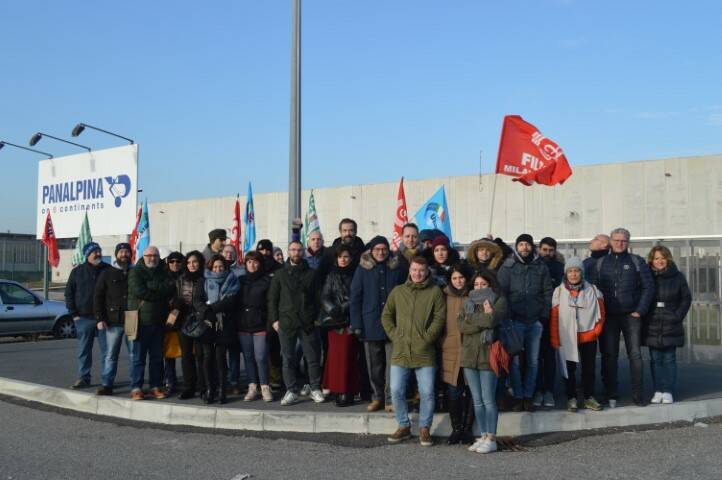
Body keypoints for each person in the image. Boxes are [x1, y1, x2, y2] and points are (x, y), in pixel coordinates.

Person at [382, 256, 446, 447]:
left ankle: (425, 428)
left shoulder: (435, 292)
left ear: (427, 272)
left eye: (421, 270)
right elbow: (386, 315)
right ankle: (403, 425)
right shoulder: (398, 291)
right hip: (400, 350)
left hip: (425, 351)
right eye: (414, 270)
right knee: (396, 390)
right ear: (409, 270)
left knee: (427, 392)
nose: (417, 273)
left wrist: (426, 338)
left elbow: (439, 318)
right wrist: (395, 335)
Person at [590, 228, 655, 407]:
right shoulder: (601, 263)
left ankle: (638, 394)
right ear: (610, 241)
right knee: (609, 356)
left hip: (631, 316)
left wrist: (639, 310)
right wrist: (600, 313)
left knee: (635, 355)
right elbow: (594, 290)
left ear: (628, 242)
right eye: (617, 240)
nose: (620, 243)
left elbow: (648, 288)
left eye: (624, 241)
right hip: (609, 317)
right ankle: (611, 393)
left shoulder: (637, 261)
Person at [350, 236, 407, 412]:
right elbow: (355, 298)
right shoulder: (362, 269)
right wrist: (357, 324)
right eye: (377, 249)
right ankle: (377, 397)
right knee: (374, 365)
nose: (381, 252)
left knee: (392, 365)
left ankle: (391, 399)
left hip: (394, 324)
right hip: (370, 323)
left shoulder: (397, 268)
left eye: (384, 249)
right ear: (371, 251)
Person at [497, 234, 553, 412]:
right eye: (521, 244)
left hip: (535, 322)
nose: (525, 248)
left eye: (527, 244)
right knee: (514, 362)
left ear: (532, 247)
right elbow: (501, 293)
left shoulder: (540, 267)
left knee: (533, 361)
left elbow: (547, 291)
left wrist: (544, 315)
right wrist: (508, 316)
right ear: (516, 246)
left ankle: (528, 396)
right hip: (515, 322)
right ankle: (518, 396)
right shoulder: (508, 266)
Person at [268, 240, 325, 405]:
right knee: (288, 358)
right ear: (288, 252)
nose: (296, 253)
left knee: (312, 358)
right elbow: (272, 299)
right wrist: (274, 321)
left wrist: (316, 319)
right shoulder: (280, 274)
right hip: (286, 322)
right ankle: (291, 390)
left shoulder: (312, 273)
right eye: (293, 250)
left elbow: (319, 297)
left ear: (303, 252)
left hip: (308, 322)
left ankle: (315, 388)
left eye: (299, 250)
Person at [460, 271, 507, 454]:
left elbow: (493, 320)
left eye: (483, 284)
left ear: (490, 285)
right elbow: (462, 326)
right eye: (476, 284)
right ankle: (483, 435)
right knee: (477, 401)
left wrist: (477, 319)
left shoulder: (499, 300)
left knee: (489, 400)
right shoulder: (467, 302)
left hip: (489, 356)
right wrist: (485, 320)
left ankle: (492, 438)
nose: (479, 287)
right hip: (470, 355)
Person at [550, 257, 605, 412]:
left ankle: (589, 397)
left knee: (589, 369)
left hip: (588, 336)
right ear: (566, 274)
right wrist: (555, 339)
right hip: (567, 337)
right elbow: (554, 317)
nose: (573, 274)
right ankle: (571, 398)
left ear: (582, 273)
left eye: (576, 271)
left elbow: (601, 312)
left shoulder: (593, 290)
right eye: (570, 271)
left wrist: (596, 331)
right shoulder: (559, 291)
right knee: (569, 369)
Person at [643, 246, 692, 404]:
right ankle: (658, 390)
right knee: (655, 359)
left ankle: (668, 390)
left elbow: (686, 298)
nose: (660, 261)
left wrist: (677, 316)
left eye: (662, 258)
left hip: (671, 321)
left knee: (669, 358)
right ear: (652, 260)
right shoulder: (646, 276)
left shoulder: (678, 277)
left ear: (668, 259)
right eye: (656, 258)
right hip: (651, 322)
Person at [127, 246, 176, 400]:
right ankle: (136, 388)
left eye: (155, 255)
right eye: (149, 255)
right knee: (138, 358)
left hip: (159, 321)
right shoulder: (135, 271)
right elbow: (139, 291)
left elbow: (170, 287)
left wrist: (153, 287)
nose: (152, 258)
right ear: (143, 256)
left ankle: (155, 386)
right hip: (139, 321)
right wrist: (159, 293)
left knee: (156, 358)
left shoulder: (163, 270)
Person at [65, 241, 109, 389]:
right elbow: (69, 294)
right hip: (83, 319)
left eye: (99, 251)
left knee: (106, 352)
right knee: (84, 351)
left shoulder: (107, 270)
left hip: (103, 319)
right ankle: (84, 378)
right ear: (87, 255)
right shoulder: (77, 272)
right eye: (94, 252)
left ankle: (106, 380)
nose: (97, 254)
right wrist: (74, 314)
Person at [319, 245, 360, 407]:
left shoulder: (357, 273)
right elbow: (324, 296)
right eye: (340, 257)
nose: (343, 259)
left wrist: (343, 308)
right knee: (335, 358)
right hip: (334, 322)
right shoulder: (331, 275)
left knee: (348, 358)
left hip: (350, 320)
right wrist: (332, 309)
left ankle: (347, 390)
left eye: (346, 256)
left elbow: (357, 296)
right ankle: (337, 389)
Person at [440, 264, 474, 445]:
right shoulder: (444, 296)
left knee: (471, 391)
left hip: (471, 349)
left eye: (461, 278)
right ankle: (456, 429)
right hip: (450, 349)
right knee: (453, 391)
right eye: (454, 278)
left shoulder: (473, 295)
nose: (458, 281)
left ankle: (468, 429)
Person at [93, 242, 133, 395]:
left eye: (126, 252)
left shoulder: (135, 272)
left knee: (133, 354)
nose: (124, 254)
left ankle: (135, 384)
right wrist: (99, 318)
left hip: (131, 319)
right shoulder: (107, 273)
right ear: (116, 255)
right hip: (112, 320)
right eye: (121, 252)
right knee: (110, 355)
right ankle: (107, 384)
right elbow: (98, 296)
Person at [202, 254, 241, 404]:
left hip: (225, 324)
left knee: (220, 359)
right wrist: (208, 312)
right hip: (208, 323)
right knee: (207, 358)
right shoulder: (204, 281)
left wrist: (210, 307)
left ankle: (222, 391)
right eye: (215, 267)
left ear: (225, 267)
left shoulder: (233, 280)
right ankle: (210, 389)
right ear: (211, 268)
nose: (218, 269)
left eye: (221, 266)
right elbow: (198, 300)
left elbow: (231, 302)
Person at [169, 251, 206, 400]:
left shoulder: (205, 279)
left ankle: (204, 386)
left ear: (200, 263)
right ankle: (189, 387)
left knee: (201, 355)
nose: (192, 265)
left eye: (195, 262)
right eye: (189, 262)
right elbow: (175, 298)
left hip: (200, 320)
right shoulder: (180, 279)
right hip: (184, 321)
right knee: (186, 356)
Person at [237, 251, 273, 402]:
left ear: (260, 263)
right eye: (249, 262)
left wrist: (269, 322)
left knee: (261, 357)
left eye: (255, 261)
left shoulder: (267, 280)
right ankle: (252, 386)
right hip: (243, 324)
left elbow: (270, 303)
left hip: (260, 324)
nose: (252, 265)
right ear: (245, 264)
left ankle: (265, 386)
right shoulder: (240, 280)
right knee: (249, 357)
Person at [534, 236, 565, 408]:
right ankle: (538, 390)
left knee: (550, 357)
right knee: (535, 357)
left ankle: (549, 391)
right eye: (544, 250)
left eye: (551, 250)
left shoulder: (560, 268)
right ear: (539, 249)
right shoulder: (533, 265)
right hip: (536, 316)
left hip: (554, 317)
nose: (547, 253)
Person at [162, 251, 185, 393]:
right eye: (172, 261)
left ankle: (190, 380)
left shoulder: (186, 277)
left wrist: (177, 308)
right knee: (168, 353)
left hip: (183, 318)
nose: (175, 264)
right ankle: (170, 380)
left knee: (187, 353)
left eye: (178, 261)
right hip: (167, 319)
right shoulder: (163, 277)